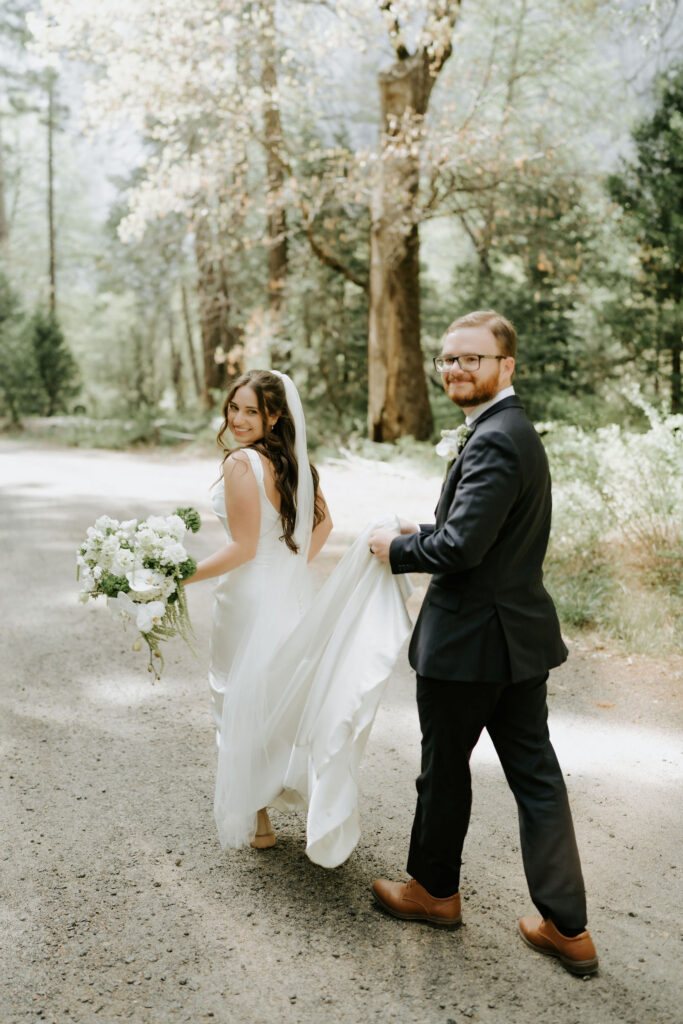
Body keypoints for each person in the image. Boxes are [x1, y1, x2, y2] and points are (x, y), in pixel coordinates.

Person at [368, 310, 598, 976]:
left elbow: (463, 549)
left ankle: (433, 892)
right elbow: (484, 530)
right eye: (448, 358)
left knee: (443, 771)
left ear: (506, 365)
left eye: (472, 358)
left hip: (468, 644)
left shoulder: (495, 437)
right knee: (536, 778)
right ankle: (568, 928)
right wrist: (423, 527)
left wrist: (394, 550)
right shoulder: (509, 429)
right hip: (516, 643)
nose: (456, 369)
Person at [185, 369, 412, 863]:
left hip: (247, 599)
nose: (238, 419)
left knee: (238, 694)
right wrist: (288, 569)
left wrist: (180, 576)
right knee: (279, 693)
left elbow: (243, 548)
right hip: (288, 595)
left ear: (274, 416)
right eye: (234, 408)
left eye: (251, 411)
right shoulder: (294, 463)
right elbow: (323, 523)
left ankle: (259, 818)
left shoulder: (241, 463)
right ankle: (281, 794)